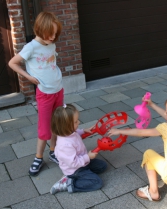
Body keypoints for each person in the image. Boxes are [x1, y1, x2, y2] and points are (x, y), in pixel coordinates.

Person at [108, 95, 167, 201]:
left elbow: (140, 132)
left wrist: (120, 131)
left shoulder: (166, 128)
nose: (165, 114)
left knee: (148, 154)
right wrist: (152, 105)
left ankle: (153, 192)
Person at [8, 12, 63, 176]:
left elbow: (50, 63)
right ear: (40, 29)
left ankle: (53, 152)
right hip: (45, 94)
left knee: (57, 124)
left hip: (58, 90)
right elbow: (12, 63)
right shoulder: (31, 47)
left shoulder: (50, 44)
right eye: (50, 33)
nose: (53, 37)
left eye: (55, 33)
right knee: (44, 128)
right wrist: (29, 77)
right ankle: (39, 157)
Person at [50, 104, 107, 195]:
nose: (79, 122)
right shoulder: (64, 145)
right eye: (76, 122)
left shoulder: (70, 132)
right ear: (66, 126)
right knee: (97, 183)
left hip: (82, 162)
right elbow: (73, 163)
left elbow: (76, 133)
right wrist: (88, 157)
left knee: (102, 166)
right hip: (75, 169)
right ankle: (69, 184)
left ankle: (86, 175)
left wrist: (84, 131)